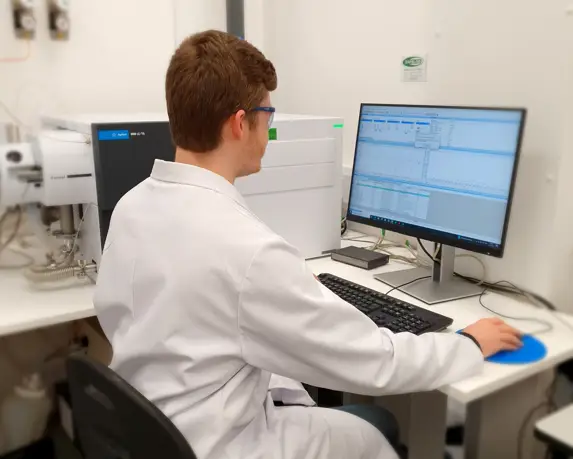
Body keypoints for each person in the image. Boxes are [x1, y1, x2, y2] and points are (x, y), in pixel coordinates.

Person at [94, 30, 523, 459]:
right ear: (240, 124)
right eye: (267, 115)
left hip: (154, 432)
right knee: (373, 437)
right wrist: (468, 344)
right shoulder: (248, 252)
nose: (268, 130)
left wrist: (285, 301)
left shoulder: (133, 206)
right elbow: (375, 362)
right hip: (222, 444)